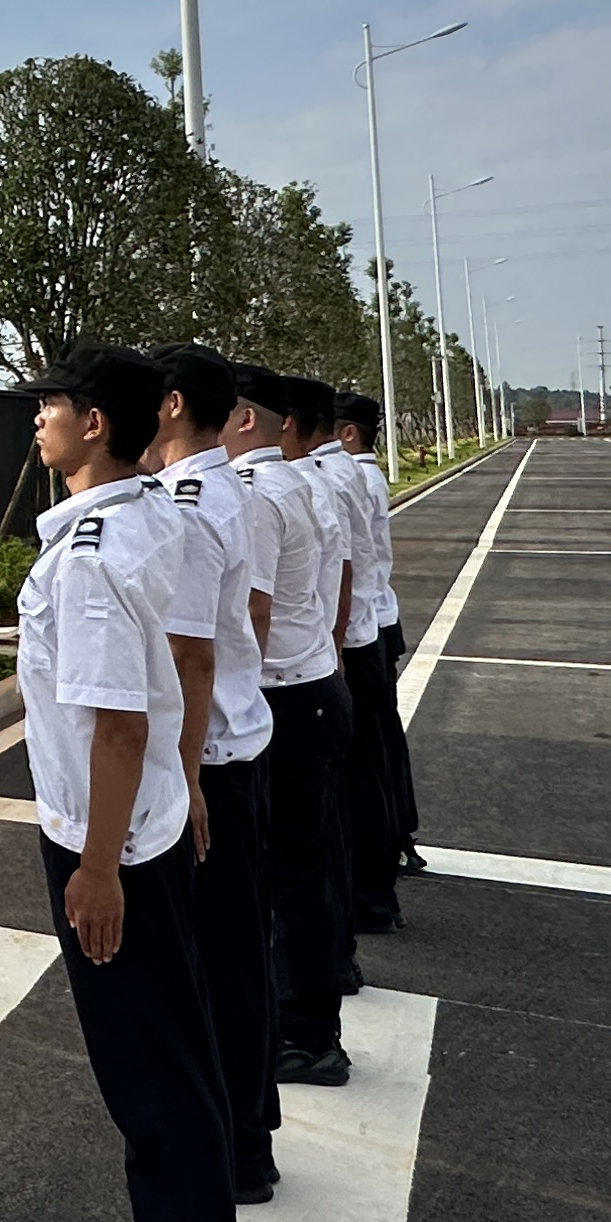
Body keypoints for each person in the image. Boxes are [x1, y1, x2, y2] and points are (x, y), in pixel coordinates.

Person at [16, 342, 247, 1222]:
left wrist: (98, 869)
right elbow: (174, 675)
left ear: (95, 423)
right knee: (176, 1061)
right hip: (144, 821)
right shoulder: (151, 516)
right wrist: (182, 784)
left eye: (50, 405)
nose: (39, 420)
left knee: (150, 1079)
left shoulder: (94, 558)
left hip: (110, 841)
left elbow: (114, 725)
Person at [146, 342, 280, 1203]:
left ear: (171, 405)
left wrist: (185, 778)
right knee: (236, 958)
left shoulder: (192, 505)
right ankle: (245, 1137)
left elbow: (191, 655)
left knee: (216, 968)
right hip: (233, 749)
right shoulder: (223, 490)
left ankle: (234, 1152)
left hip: (214, 763)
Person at [232, 366, 361, 1088]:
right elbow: (335, 577)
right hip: (313, 684)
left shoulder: (257, 494)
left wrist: (230, 702)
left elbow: (253, 611)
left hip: (284, 696)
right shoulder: (302, 482)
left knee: (287, 877)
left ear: (247, 419)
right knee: (310, 864)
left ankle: (306, 1036)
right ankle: (323, 994)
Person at [331, 395, 420, 916]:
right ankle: (396, 839)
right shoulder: (363, 476)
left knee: (366, 759)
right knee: (380, 747)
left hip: (362, 630)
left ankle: (375, 879)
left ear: (348, 433)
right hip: (375, 622)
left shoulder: (350, 478)